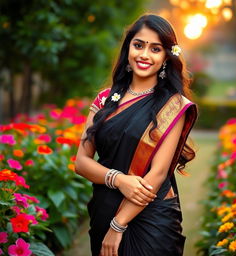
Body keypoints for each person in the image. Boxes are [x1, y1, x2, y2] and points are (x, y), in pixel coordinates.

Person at [75, 14, 198, 256]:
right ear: (128, 48)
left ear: (165, 57)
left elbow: (158, 173)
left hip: (152, 217)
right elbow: (81, 162)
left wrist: (117, 225)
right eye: (138, 45)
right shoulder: (104, 100)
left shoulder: (172, 106)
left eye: (155, 49)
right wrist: (119, 179)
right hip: (105, 206)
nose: (144, 55)